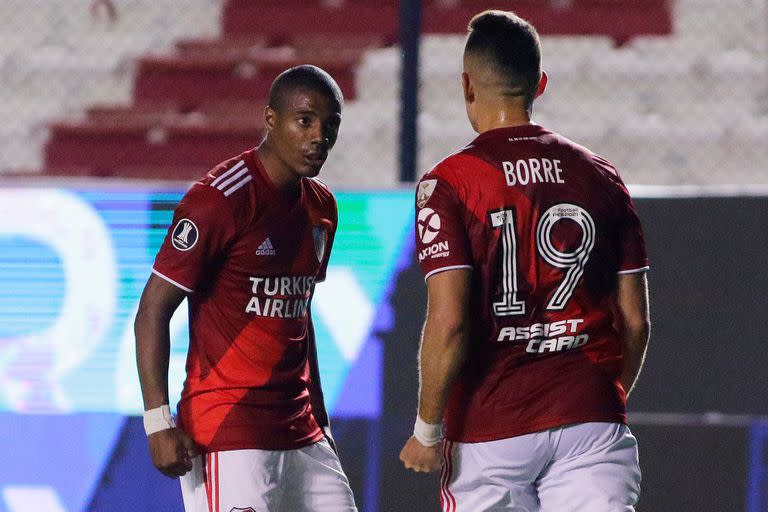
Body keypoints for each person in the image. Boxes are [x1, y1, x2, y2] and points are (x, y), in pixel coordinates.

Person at [399, 10, 651, 512]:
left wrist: (427, 431)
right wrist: (599, 397)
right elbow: (636, 321)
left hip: (491, 429)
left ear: (467, 86)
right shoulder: (601, 175)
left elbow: (449, 321)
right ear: (540, 83)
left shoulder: (450, 183)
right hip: (589, 417)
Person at [135, 64, 357, 512]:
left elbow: (299, 316)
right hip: (229, 430)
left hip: (301, 432)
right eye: (305, 120)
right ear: (270, 119)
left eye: (330, 125)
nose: (319, 137)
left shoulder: (322, 207)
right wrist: (158, 423)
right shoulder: (219, 199)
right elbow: (153, 311)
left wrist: (321, 418)